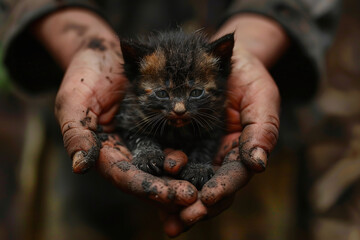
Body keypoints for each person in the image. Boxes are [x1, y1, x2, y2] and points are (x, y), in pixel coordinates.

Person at [0, 0, 339, 239]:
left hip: (254, 175)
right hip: (90, 194)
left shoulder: (217, 103)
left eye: (195, 94)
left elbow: (212, 136)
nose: (178, 109)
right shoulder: (133, 96)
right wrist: (83, 42)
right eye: (163, 95)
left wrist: (257, 41)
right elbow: (127, 126)